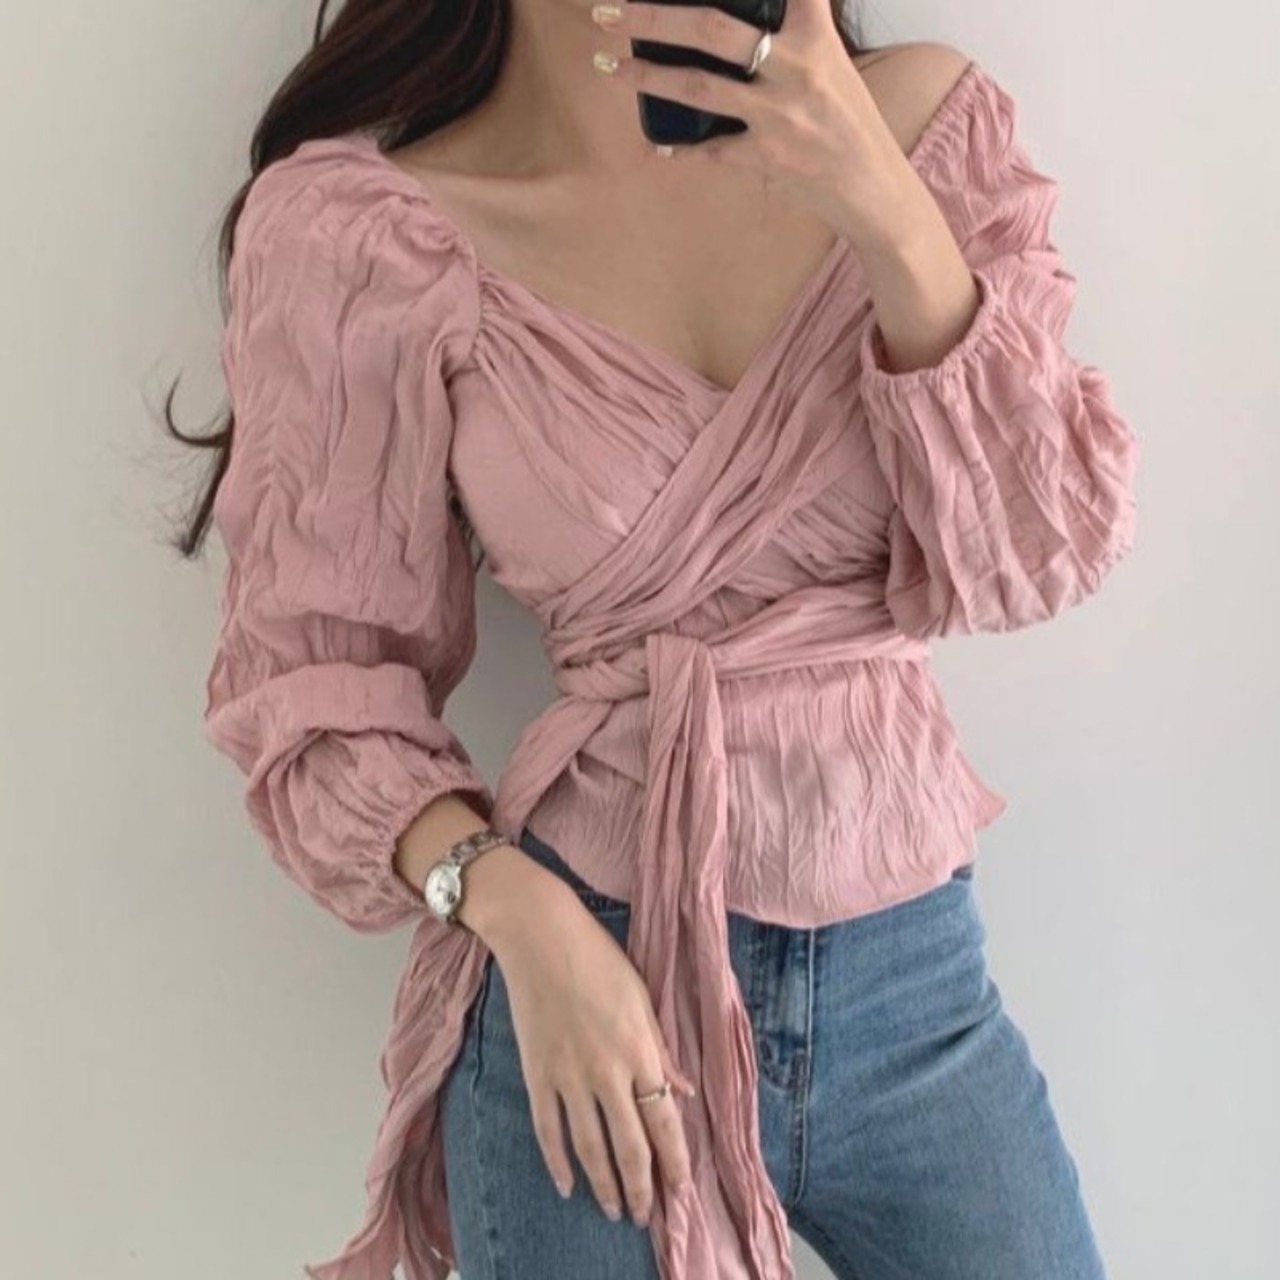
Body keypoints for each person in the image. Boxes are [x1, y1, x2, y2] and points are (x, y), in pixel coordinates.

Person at [182, 1, 1139, 1276]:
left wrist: (884, 207)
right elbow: (312, 681)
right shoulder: (372, 236)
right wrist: (520, 915)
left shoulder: (918, 128)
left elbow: (1035, 549)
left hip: (913, 988)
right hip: (593, 1006)